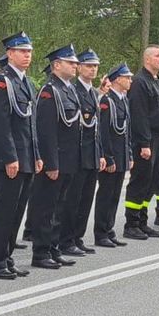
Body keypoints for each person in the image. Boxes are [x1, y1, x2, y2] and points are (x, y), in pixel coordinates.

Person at [0, 33, 39, 280]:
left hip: (26, 158)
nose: (27, 55)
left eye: (29, 51)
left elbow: (31, 125)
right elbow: (0, 124)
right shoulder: (2, 83)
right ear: (9, 54)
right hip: (9, 160)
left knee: (16, 212)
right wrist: (9, 158)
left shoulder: (26, 83)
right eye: (21, 51)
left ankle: (7, 257)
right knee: (3, 213)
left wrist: (36, 155)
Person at [27, 45, 82, 269]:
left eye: (75, 63)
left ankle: (53, 248)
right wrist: (50, 162)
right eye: (71, 63)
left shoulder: (68, 89)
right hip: (55, 161)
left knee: (60, 207)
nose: (75, 66)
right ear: (56, 65)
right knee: (46, 208)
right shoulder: (50, 91)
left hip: (69, 160)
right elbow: (46, 130)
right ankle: (40, 253)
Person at [122, 45, 159, 241]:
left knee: (152, 181)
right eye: (158, 55)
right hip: (146, 139)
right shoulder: (140, 82)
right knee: (140, 180)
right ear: (147, 59)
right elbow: (139, 115)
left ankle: (142, 222)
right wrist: (143, 144)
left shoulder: (158, 82)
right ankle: (131, 224)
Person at [58, 48, 104, 256]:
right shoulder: (74, 90)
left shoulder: (94, 93)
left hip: (92, 153)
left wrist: (101, 153)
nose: (92, 70)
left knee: (86, 199)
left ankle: (78, 236)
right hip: (78, 154)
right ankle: (66, 240)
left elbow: (97, 128)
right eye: (88, 66)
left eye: (95, 66)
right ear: (80, 69)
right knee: (72, 200)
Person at [93, 63, 132, 248]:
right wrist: (108, 157)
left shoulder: (123, 100)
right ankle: (101, 233)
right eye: (127, 77)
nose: (130, 80)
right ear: (117, 79)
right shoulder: (106, 101)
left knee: (115, 195)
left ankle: (109, 230)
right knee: (106, 195)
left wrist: (129, 154)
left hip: (121, 155)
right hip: (111, 156)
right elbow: (104, 132)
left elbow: (126, 131)